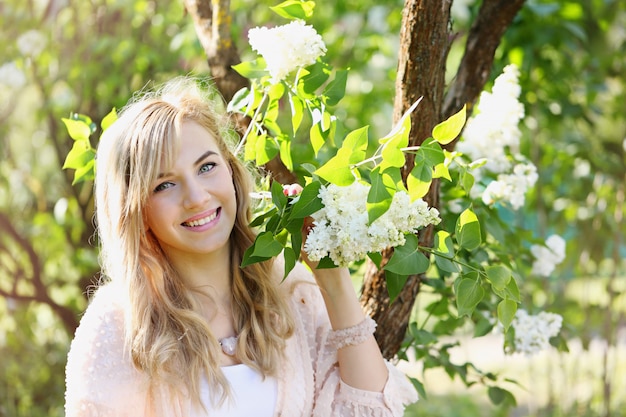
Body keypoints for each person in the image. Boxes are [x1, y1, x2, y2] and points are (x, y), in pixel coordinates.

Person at [64, 77, 418, 416]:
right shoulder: (118, 325)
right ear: (136, 209)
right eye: (164, 185)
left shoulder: (293, 292)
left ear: (232, 173)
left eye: (206, 167)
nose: (197, 197)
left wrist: (333, 282)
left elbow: (370, 411)